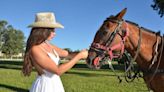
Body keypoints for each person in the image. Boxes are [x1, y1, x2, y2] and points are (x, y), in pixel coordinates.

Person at [22, 12, 88, 92]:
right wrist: (79, 56)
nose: (55, 34)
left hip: (55, 84)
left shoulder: (49, 45)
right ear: (43, 31)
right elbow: (57, 70)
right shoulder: (35, 49)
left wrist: (89, 52)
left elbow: (68, 54)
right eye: (52, 30)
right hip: (45, 86)